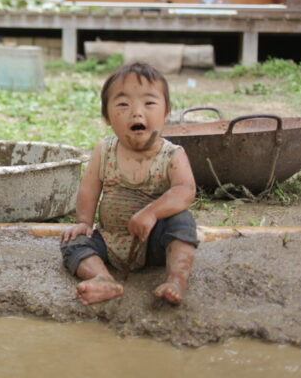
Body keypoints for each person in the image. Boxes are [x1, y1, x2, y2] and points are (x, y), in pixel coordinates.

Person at [60, 62, 198, 305]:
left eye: (149, 103)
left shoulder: (172, 155)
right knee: (73, 242)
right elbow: (89, 188)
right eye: (123, 104)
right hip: (108, 239)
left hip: (153, 242)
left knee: (182, 221)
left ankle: (176, 280)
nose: (137, 112)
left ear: (166, 113)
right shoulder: (104, 150)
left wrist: (151, 213)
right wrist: (83, 222)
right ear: (107, 116)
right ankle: (103, 279)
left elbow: (185, 191)